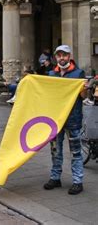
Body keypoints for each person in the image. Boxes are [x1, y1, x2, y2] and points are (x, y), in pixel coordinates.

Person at [43, 45, 87, 195]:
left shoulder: (78, 73)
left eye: (64, 55)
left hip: (73, 119)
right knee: (55, 150)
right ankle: (55, 177)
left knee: (75, 152)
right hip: (55, 119)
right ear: (56, 57)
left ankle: (77, 181)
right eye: (59, 55)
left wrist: (84, 89)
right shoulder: (51, 74)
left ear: (69, 56)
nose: (62, 58)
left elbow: (83, 97)